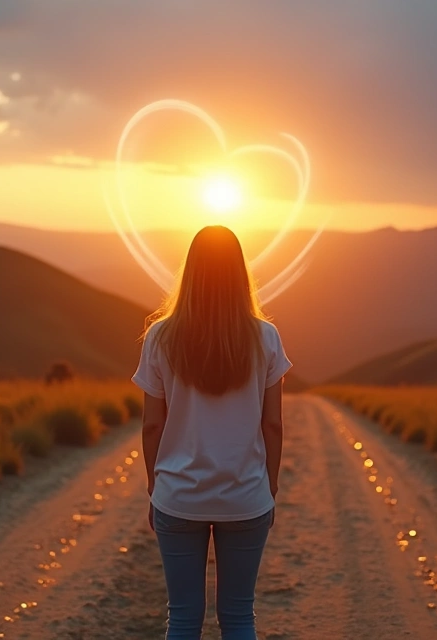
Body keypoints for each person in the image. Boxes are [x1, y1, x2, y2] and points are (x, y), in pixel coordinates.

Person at [133, 225, 291, 640]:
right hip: (245, 496)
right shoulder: (266, 337)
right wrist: (270, 486)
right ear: (240, 272)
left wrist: (154, 486)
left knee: (183, 618)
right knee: (239, 617)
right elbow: (272, 424)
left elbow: (152, 425)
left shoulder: (160, 336)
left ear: (190, 271)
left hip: (178, 495)